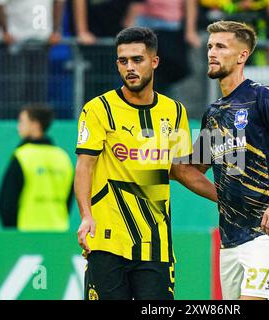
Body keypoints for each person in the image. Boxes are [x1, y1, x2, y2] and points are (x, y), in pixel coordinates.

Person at [74, 26, 217, 300]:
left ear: (154, 62)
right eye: (123, 60)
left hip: (156, 245)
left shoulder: (174, 111)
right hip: (107, 241)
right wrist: (86, 216)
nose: (129, 67)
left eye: (137, 60)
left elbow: (180, 170)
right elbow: (85, 166)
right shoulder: (98, 110)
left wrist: (226, 199)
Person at [193, 20, 269, 300]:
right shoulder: (212, 113)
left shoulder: (261, 96)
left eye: (221, 47)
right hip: (229, 235)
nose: (211, 52)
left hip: (265, 231)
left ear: (242, 55)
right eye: (210, 46)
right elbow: (194, 169)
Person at [0, 105, 74, 231]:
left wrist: (11, 231)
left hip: (26, 233)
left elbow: (6, 203)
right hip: (59, 232)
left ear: (35, 124)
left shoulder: (22, 156)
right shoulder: (63, 158)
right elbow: (69, 199)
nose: (18, 127)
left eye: (22, 121)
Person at [0, 0, 65, 117]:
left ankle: (37, 130)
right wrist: (5, 32)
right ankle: (10, 128)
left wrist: (55, 31)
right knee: (13, 94)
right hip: (14, 44)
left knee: (38, 95)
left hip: (42, 42)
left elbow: (59, 3)